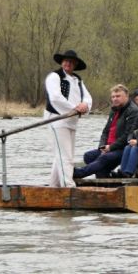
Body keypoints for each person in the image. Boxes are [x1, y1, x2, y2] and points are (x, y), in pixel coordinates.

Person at [44, 50, 93, 187]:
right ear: (62, 62)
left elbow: (88, 98)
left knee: (64, 155)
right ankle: (68, 186)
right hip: (57, 119)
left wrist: (84, 106)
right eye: (66, 61)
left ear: (75, 64)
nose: (68, 64)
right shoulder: (54, 77)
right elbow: (55, 97)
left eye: (71, 62)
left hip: (72, 121)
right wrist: (74, 108)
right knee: (64, 156)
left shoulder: (77, 80)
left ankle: (53, 187)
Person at [73, 84, 138, 179]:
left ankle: (79, 173)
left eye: (118, 96)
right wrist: (102, 147)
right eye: (113, 97)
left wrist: (110, 148)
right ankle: (105, 181)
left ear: (127, 96)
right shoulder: (114, 110)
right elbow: (105, 131)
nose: (115, 99)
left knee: (104, 158)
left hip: (124, 149)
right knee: (89, 156)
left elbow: (127, 135)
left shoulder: (133, 111)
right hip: (109, 147)